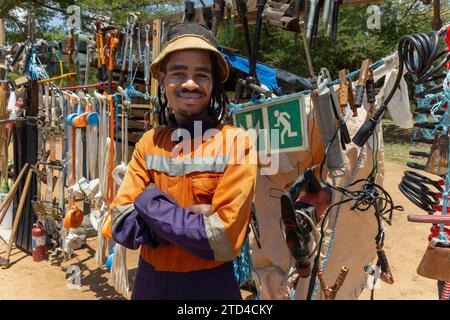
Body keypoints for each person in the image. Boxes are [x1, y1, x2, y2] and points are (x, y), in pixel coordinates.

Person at [109, 22, 257, 300]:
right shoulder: (149, 143)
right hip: (149, 285)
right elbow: (121, 224)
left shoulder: (236, 143)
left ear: (213, 85)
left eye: (201, 75)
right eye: (178, 73)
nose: (190, 84)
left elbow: (220, 239)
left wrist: (148, 201)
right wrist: (191, 218)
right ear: (163, 80)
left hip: (210, 288)